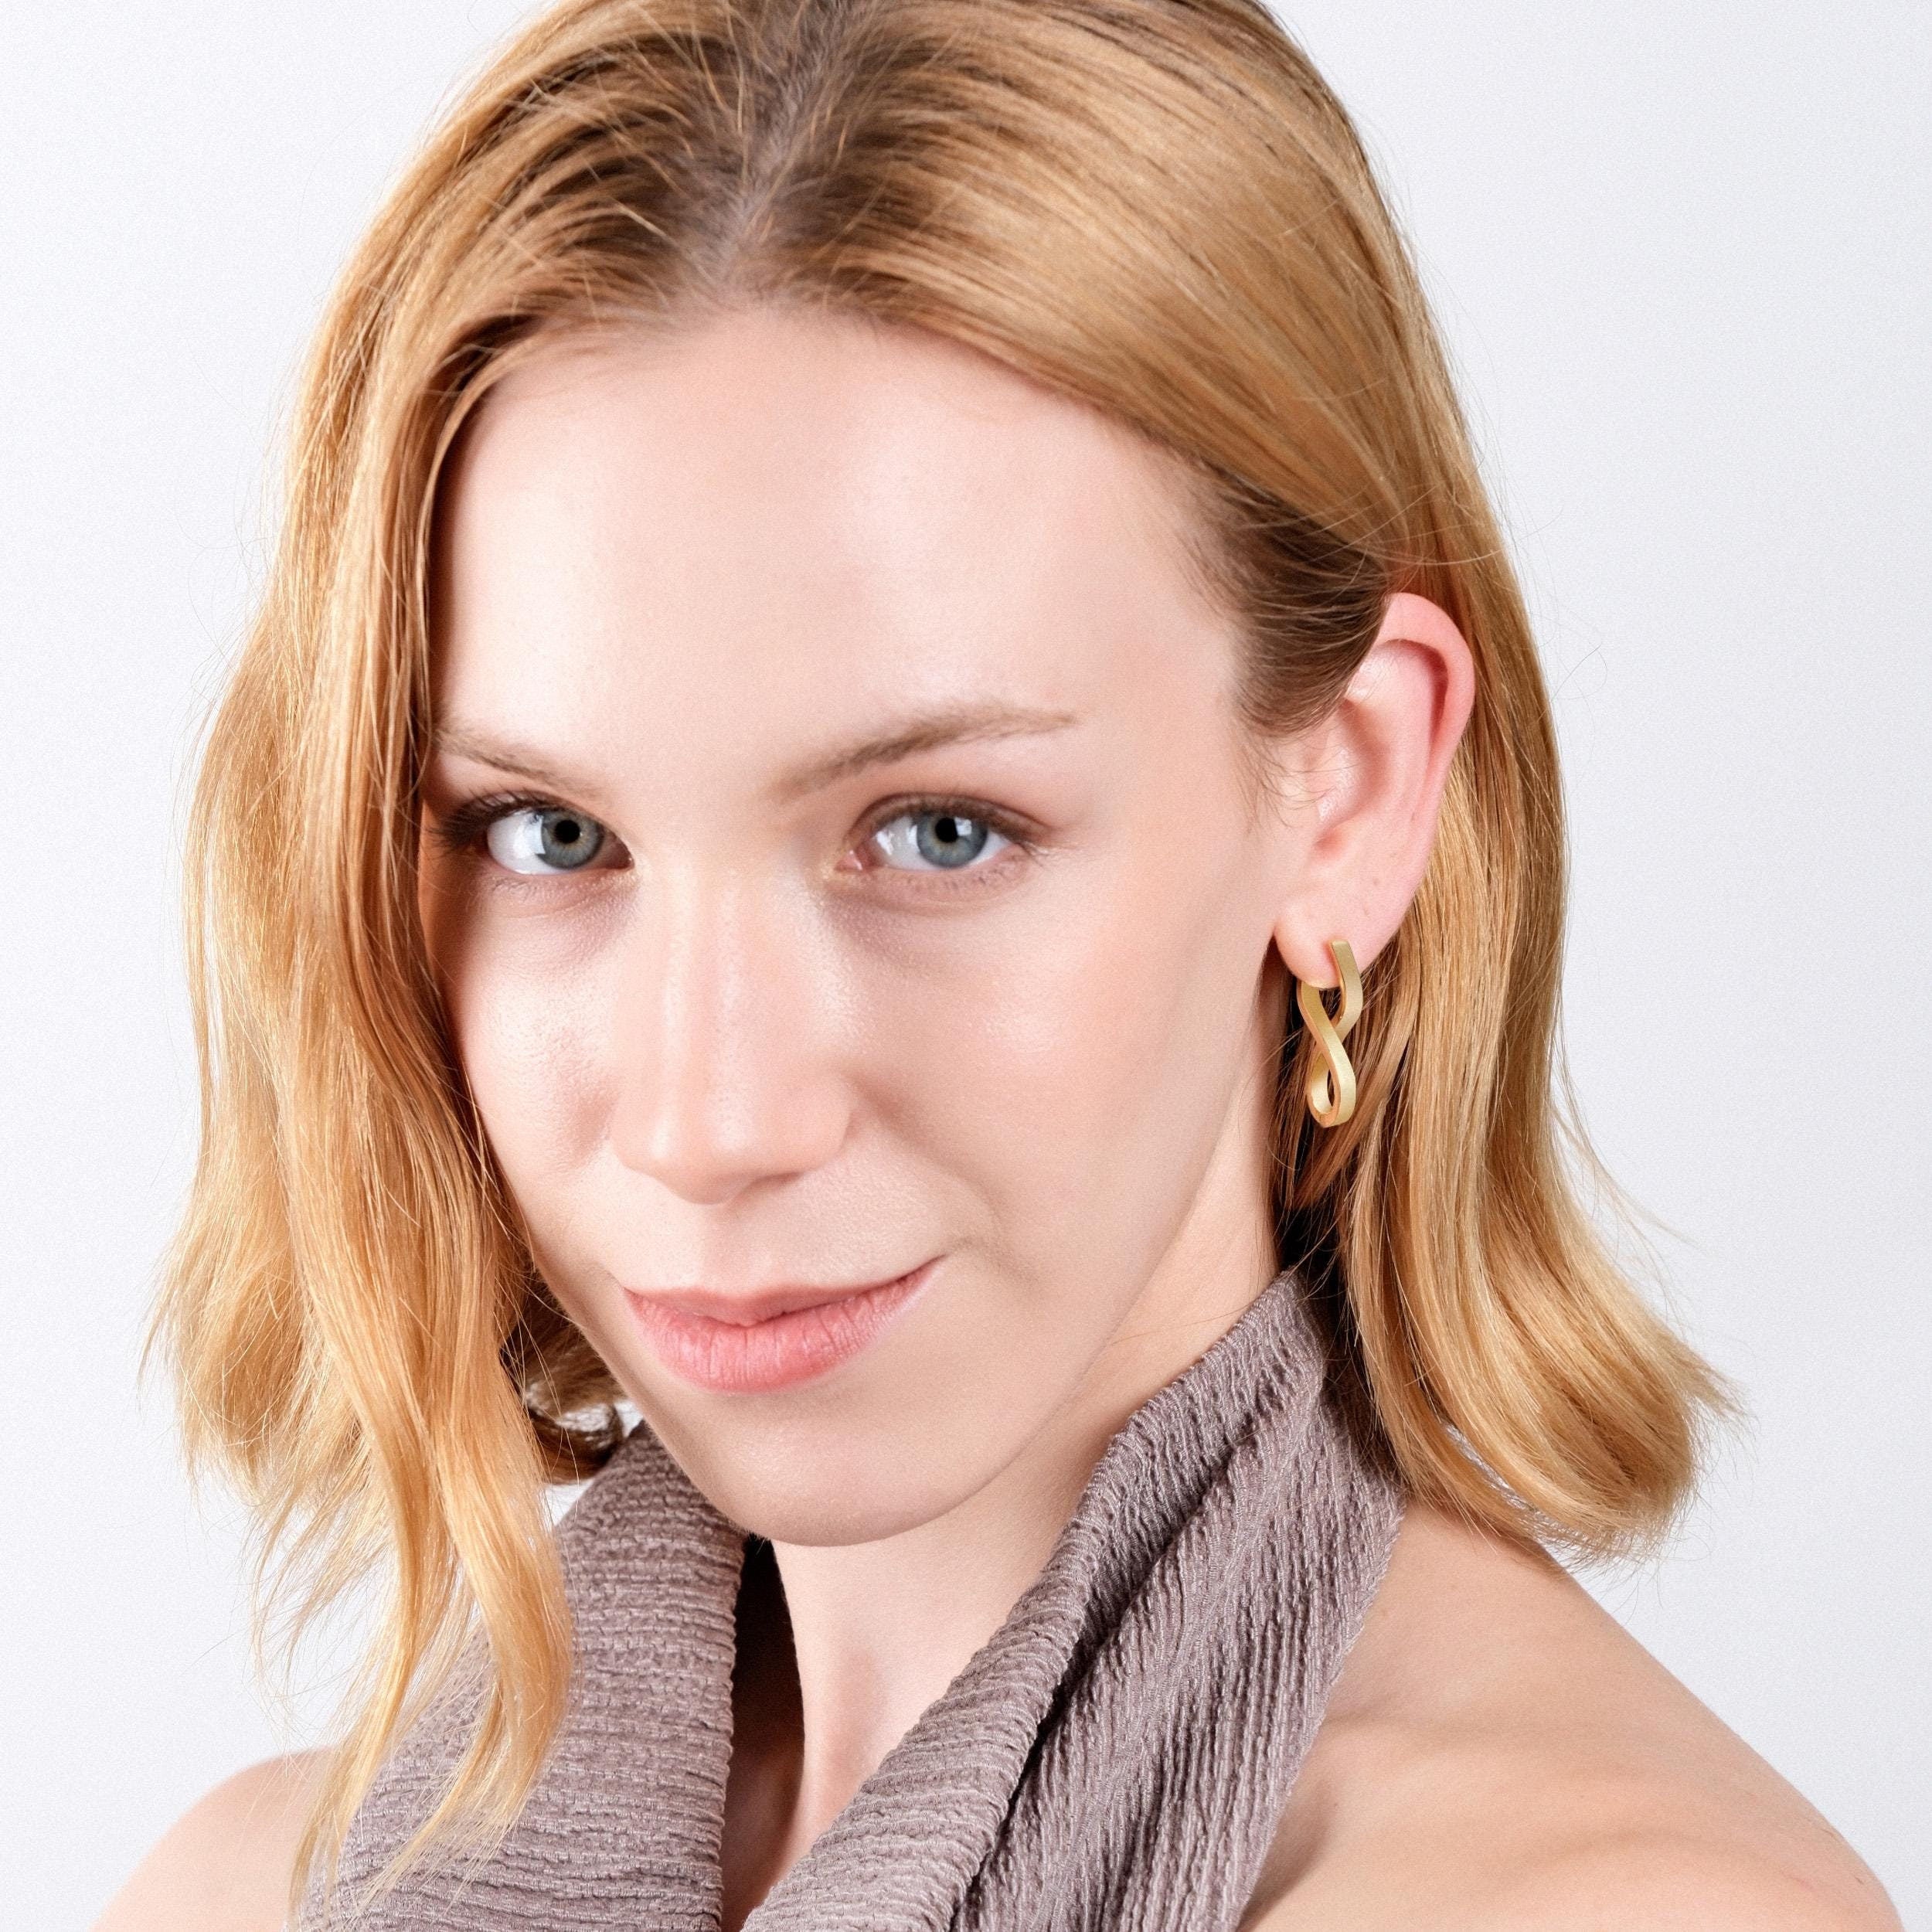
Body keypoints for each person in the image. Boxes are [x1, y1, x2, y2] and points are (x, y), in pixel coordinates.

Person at [97, 2, 1902, 1928]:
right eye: (553, 835)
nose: (713, 1119)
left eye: (937, 829)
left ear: (1354, 793)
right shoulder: (256, 1881)